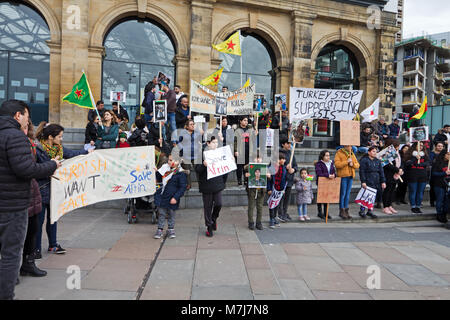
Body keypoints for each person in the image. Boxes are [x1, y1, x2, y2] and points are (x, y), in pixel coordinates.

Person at [0, 100, 59, 300]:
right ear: (18, 115)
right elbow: (26, 169)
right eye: (26, 115)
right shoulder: (15, 136)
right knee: (10, 255)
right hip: (12, 205)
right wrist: (52, 165)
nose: (28, 119)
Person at [34, 122, 89, 258]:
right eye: (59, 136)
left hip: (55, 191)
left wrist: (88, 152)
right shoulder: (38, 150)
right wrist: (52, 164)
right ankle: (35, 249)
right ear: (51, 137)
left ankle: (53, 244)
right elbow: (35, 170)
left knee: (53, 219)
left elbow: (73, 153)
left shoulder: (59, 149)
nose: (61, 139)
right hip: (41, 191)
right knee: (38, 222)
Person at [20, 119, 47, 277]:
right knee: (17, 236)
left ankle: (28, 263)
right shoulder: (20, 144)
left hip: (32, 193)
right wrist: (51, 166)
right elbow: (30, 168)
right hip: (20, 196)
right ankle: (13, 271)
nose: (25, 130)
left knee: (32, 230)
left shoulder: (33, 144)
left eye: (27, 127)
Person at [195, 136, 225, 237]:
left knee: (219, 204)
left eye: (216, 142)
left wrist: (223, 181)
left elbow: (225, 168)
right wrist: (203, 165)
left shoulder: (220, 153)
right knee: (207, 207)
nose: (215, 145)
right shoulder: (201, 154)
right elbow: (197, 170)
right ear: (208, 143)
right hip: (206, 184)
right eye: (213, 142)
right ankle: (209, 226)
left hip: (217, 183)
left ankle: (213, 219)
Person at [153, 154, 187, 239]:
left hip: (172, 197)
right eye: (170, 160)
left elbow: (182, 187)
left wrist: (176, 197)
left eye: (174, 160)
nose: (171, 162)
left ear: (179, 161)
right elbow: (159, 179)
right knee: (161, 213)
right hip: (162, 195)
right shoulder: (164, 168)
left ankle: (171, 228)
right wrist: (156, 172)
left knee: (171, 213)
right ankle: (160, 229)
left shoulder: (180, 173)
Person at [358, 146, 386, 219]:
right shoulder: (364, 160)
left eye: (376, 151)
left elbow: (381, 172)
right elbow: (362, 171)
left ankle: (370, 210)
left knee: (372, 196)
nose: (375, 153)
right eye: (373, 151)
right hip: (368, 179)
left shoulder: (377, 161)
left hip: (376, 180)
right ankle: (362, 210)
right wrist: (363, 181)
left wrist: (383, 181)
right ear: (369, 152)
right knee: (365, 195)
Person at [334, 145, 360, 219]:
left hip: (350, 176)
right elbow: (337, 164)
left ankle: (346, 210)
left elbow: (357, 165)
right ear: (345, 146)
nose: (350, 147)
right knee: (343, 194)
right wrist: (346, 162)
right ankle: (341, 210)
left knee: (347, 194)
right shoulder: (339, 153)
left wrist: (353, 165)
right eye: (348, 146)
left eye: (351, 146)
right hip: (343, 176)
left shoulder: (351, 153)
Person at [404, 141, 430, 214]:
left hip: (422, 175)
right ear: (415, 146)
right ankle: (413, 206)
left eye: (422, 145)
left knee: (420, 192)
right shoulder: (410, 154)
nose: (421, 147)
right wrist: (415, 158)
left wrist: (420, 164)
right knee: (413, 191)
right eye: (419, 145)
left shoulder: (425, 154)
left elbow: (427, 163)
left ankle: (418, 206)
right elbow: (407, 163)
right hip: (413, 175)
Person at [177, 119, 203, 189]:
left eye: (193, 124)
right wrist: (182, 148)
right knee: (187, 171)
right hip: (186, 155)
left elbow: (202, 141)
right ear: (187, 126)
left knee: (198, 169)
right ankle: (188, 184)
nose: (192, 126)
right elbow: (178, 142)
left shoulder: (197, 133)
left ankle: (201, 183)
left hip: (195, 154)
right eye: (191, 124)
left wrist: (202, 135)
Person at [380, 140, 403, 215]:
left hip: (395, 175)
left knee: (392, 190)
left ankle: (389, 205)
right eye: (397, 146)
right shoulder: (388, 152)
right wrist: (396, 170)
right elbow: (386, 164)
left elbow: (400, 162)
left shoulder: (398, 153)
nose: (398, 147)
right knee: (387, 190)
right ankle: (385, 206)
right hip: (388, 174)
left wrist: (400, 169)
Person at [244, 157, 267, 231]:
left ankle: (258, 222)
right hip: (252, 190)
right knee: (251, 207)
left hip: (261, 190)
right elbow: (244, 169)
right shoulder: (250, 166)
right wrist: (246, 175)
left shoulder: (264, 167)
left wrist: (268, 176)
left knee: (260, 207)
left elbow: (267, 178)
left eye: (259, 158)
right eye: (256, 158)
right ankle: (251, 222)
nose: (258, 159)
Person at [278, 137, 297, 222]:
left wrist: (293, 169)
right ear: (283, 144)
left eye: (290, 143)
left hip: (290, 179)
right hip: (282, 179)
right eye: (287, 143)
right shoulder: (279, 154)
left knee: (287, 198)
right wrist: (285, 167)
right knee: (281, 197)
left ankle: (285, 212)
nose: (289, 145)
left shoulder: (291, 153)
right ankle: (280, 213)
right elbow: (275, 166)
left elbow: (295, 165)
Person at [267, 153, 287, 228]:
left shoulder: (283, 168)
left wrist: (283, 189)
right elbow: (269, 180)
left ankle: (274, 217)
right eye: (282, 159)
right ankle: (271, 218)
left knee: (276, 204)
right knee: (271, 204)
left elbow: (284, 179)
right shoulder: (271, 167)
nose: (284, 160)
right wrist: (269, 189)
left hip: (279, 189)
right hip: (273, 188)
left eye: (284, 159)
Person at [315, 150, 336, 220]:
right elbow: (319, 173)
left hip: (329, 183)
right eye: (326, 155)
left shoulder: (331, 163)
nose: (328, 157)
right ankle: (320, 212)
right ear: (322, 156)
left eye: (329, 155)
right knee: (321, 198)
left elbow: (334, 172)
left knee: (327, 198)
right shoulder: (319, 164)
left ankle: (326, 212)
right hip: (321, 183)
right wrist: (328, 175)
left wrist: (334, 175)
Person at [212, 116, 234, 184]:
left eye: (225, 121)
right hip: (218, 150)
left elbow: (232, 140)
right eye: (223, 121)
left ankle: (224, 182)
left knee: (225, 167)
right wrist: (217, 137)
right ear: (220, 122)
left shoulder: (230, 130)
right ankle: (219, 182)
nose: (224, 122)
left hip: (226, 150)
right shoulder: (216, 129)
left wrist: (223, 139)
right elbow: (212, 139)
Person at [431, 150, 450, 223]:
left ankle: (444, 213)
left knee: (446, 201)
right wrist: (444, 173)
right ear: (444, 155)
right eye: (448, 154)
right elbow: (434, 173)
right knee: (440, 199)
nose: (449, 156)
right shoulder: (437, 163)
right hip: (439, 184)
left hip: (448, 184)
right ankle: (439, 214)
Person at [234, 116, 254, 186]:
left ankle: (246, 180)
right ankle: (239, 180)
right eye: (244, 120)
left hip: (248, 150)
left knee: (247, 166)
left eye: (247, 121)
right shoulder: (237, 130)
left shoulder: (250, 129)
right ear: (240, 121)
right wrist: (235, 150)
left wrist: (255, 134)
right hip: (240, 150)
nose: (246, 122)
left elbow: (253, 139)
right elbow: (235, 141)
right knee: (239, 167)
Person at [430, 142, 445, 207]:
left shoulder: (444, 154)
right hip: (434, 171)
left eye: (441, 146)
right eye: (438, 146)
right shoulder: (432, 153)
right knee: (432, 188)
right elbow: (431, 161)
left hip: (441, 173)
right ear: (436, 146)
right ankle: (432, 201)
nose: (440, 147)